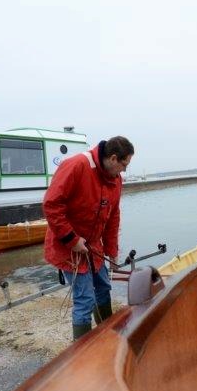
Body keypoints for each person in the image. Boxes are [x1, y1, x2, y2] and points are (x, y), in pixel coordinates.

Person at [43, 136, 134, 340]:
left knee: (103, 288)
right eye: (124, 164)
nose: (125, 170)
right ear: (112, 159)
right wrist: (72, 240)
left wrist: (112, 252)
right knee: (84, 299)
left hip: (94, 248)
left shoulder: (115, 180)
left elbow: (113, 218)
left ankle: (109, 336)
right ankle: (81, 352)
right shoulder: (76, 166)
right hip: (68, 247)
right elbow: (51, 205)